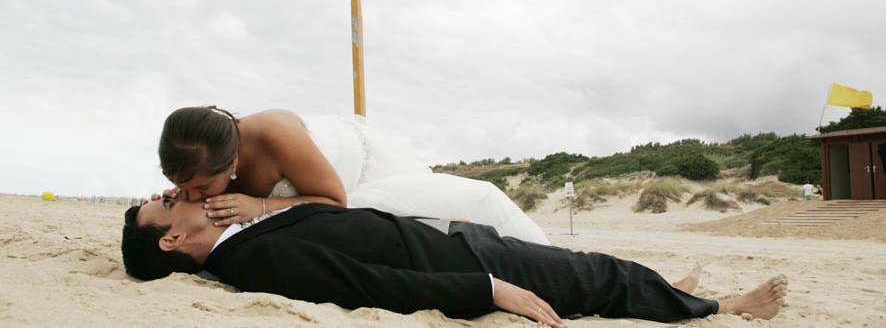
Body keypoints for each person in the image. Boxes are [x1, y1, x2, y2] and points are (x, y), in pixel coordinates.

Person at [121, 196, 788, 327]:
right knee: (588, 276)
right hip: (458, 260)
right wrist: (486, 288)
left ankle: (661, 291)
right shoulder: (255, 265)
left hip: (444, 235)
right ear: (170, 243)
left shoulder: (242, 239)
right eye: (162, 206)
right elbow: (372, 284)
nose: (171, 195)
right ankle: (724, 307)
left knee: (588, 270)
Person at [155, 106, 548, 243]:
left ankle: (538, 251)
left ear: (233, 163)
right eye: (182, 188)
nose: (193, 195)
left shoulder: (275, 134)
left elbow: (334, 201)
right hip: (329, 193)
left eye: (202, 188)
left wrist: (259, 205)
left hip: (363, 172)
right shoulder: (200, 155)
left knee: (461, 207)